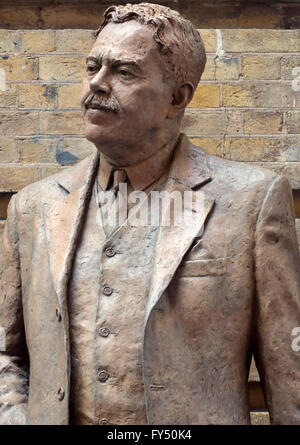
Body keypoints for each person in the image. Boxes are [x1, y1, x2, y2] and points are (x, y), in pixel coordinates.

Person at [0, 3, 299, 425]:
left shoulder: (252, 201)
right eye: (92, 67)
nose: (97, 84)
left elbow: (290, 372)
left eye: (124, 72)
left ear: (177, 98)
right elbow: (5, 351)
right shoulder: (32, 207)